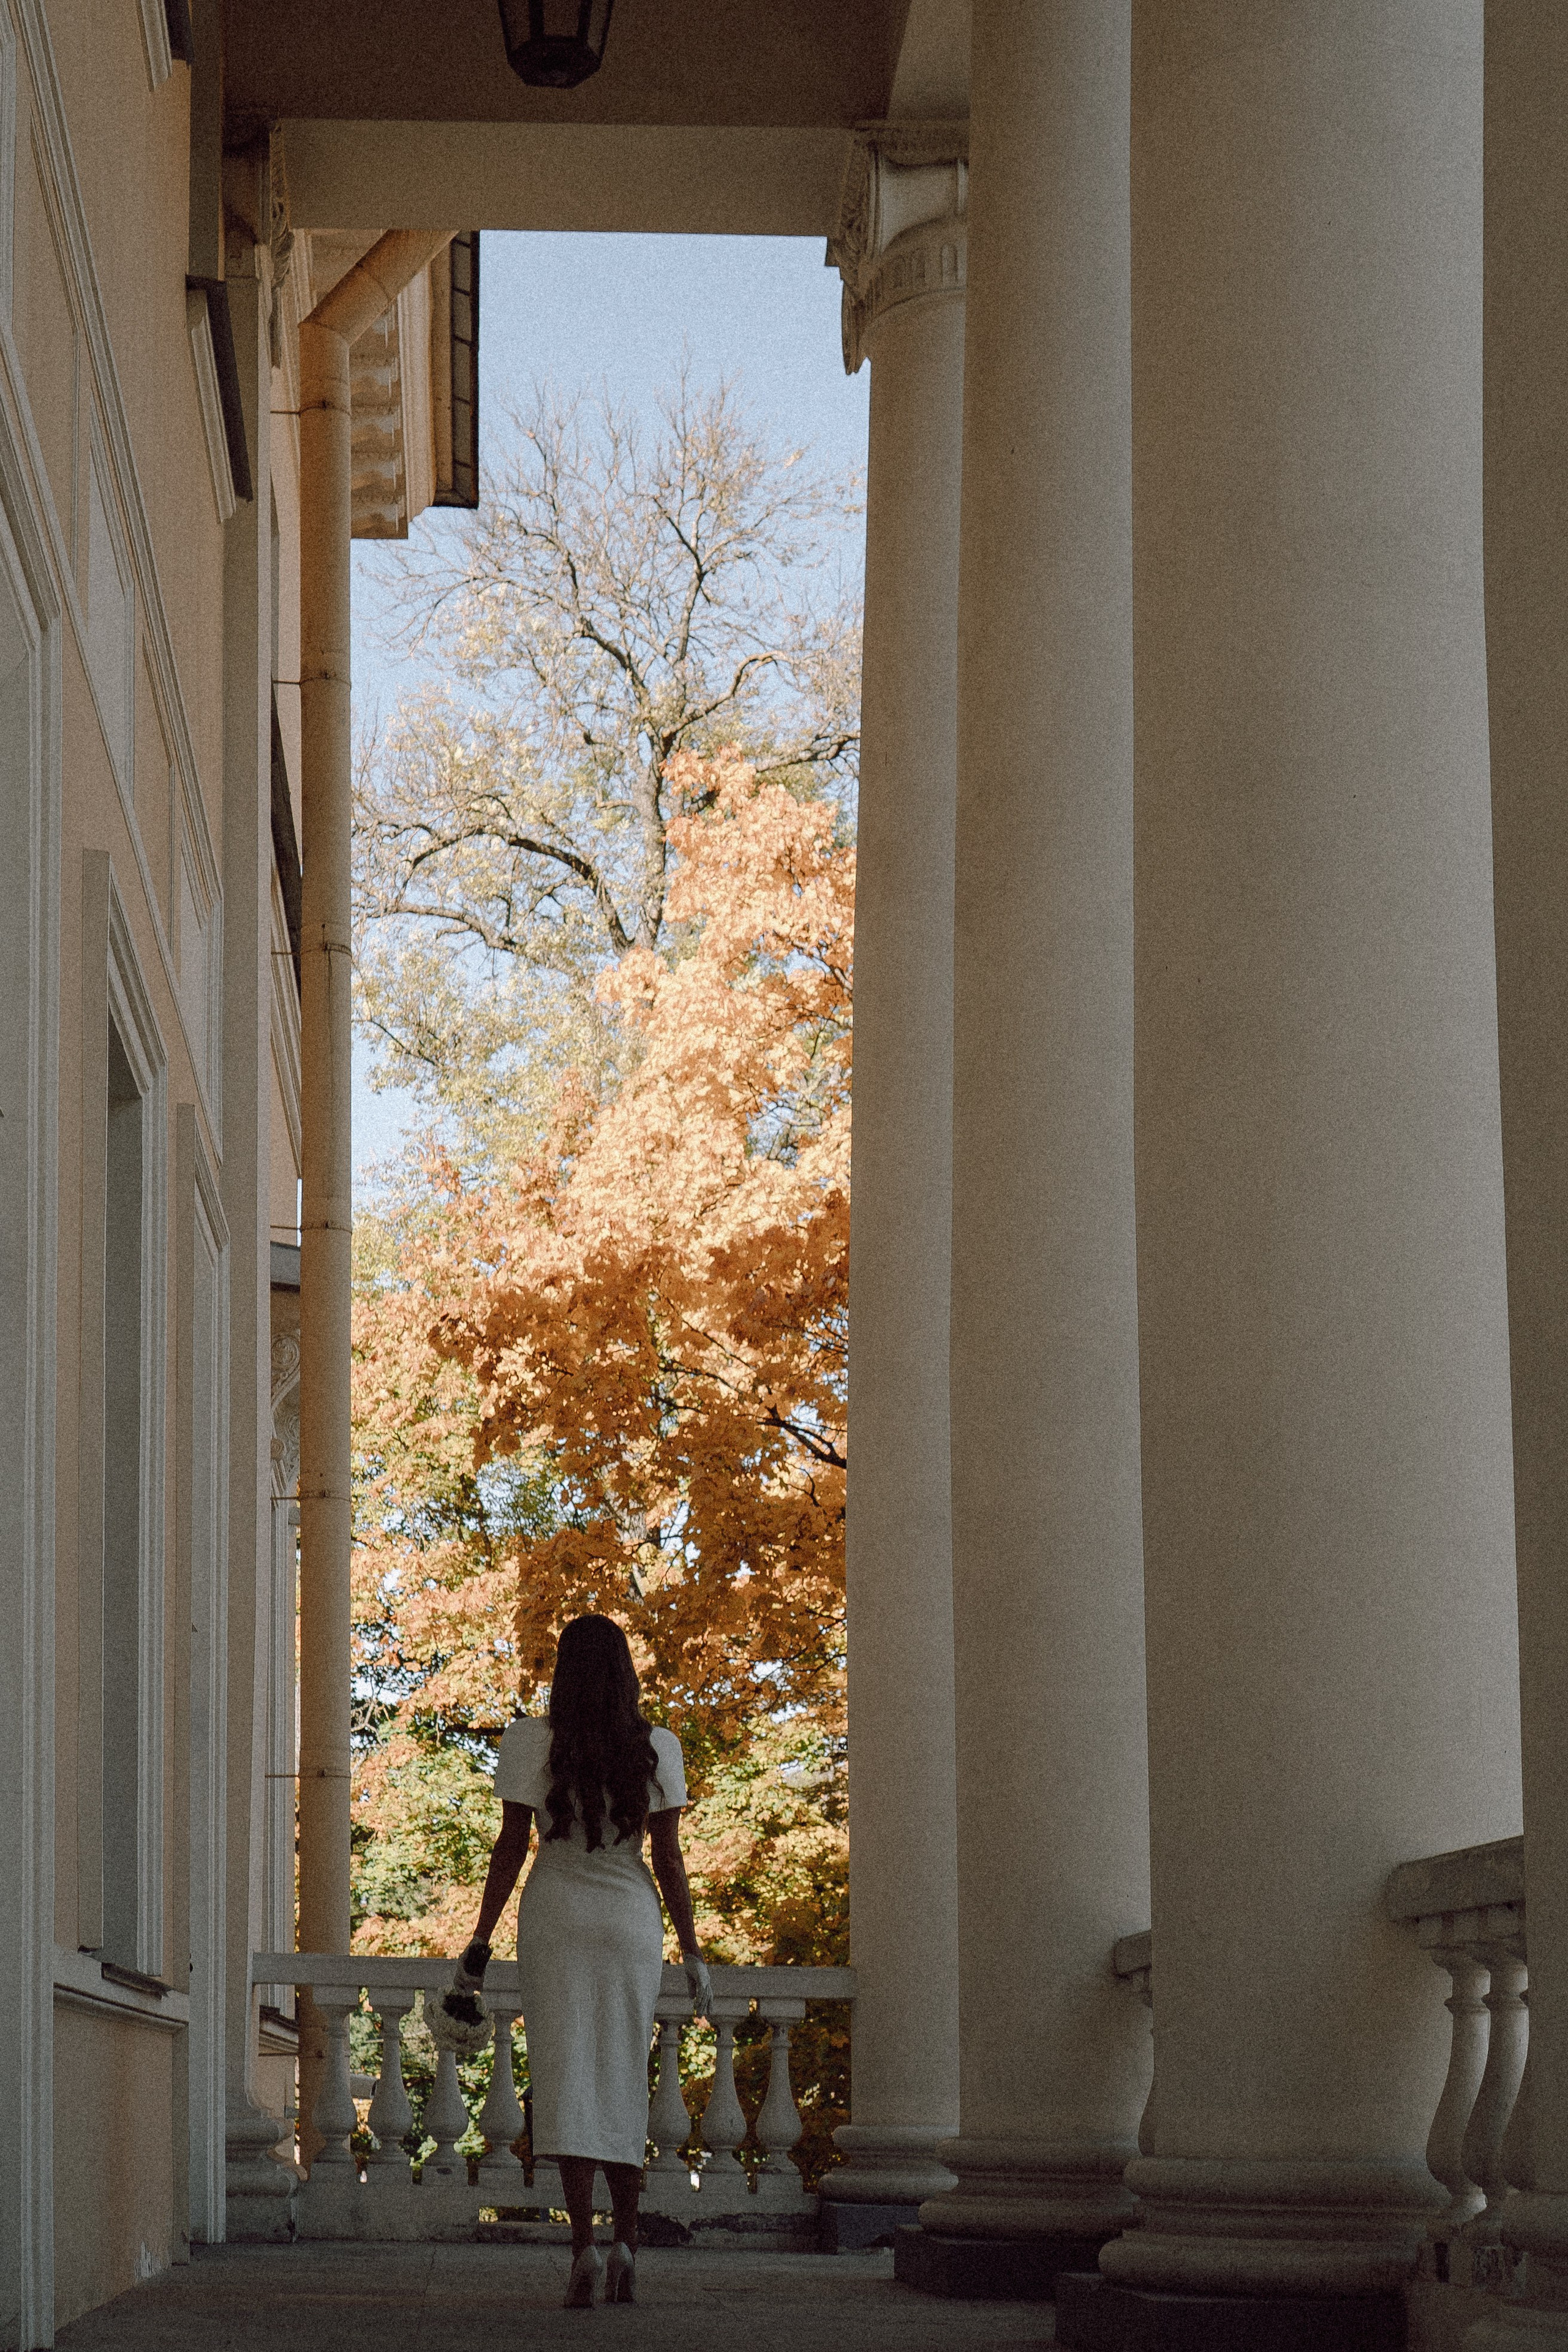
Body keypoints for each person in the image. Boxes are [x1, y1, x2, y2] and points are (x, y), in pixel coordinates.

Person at [455, 1613, 713, 2308]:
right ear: (625, 1672)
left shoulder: (530, 1741)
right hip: (629, 1922)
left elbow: (511, 1846)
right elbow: (668, 1858)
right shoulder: (657, 1746)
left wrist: (478, 1943)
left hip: (558, 1916)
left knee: (565, 2076)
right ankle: (628, 2244)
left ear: (562, 1671)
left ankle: (583, 2252)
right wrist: (692, 1951)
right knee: (623, 2074)